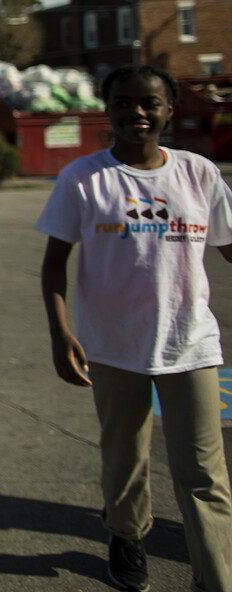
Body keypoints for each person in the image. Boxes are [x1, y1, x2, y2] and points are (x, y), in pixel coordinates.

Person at [37, 66, 232, 592]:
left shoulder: (199, 174)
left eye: (150, 103)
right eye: (123, 103)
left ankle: (216, 578)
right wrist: (61, 334)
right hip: (114, 347)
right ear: (109, 110)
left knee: (204, 475)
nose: (137, 113)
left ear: (170, 110)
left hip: (190, 344)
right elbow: (55, 262)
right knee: (126, 459)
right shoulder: (85, 178)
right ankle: (127, 535)